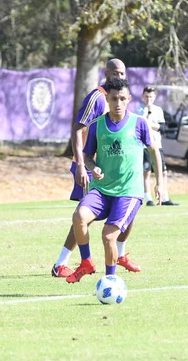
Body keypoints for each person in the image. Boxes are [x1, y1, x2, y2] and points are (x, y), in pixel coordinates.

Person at [66, 78, 165, 283]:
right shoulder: (96, 126)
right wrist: (94, 168)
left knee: (108, 235)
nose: (118, 103)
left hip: (128, 192)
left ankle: (110, 282)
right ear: (107, 100)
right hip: (101, 190)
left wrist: (160, 182)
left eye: (122, 98)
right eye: (113, 99)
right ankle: (86, 262)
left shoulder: (139, 123)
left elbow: (154, 151)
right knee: (79, 217)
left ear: (129, 99)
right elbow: (86, 157)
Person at [51, 59, 141, 278]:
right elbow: (77, 129)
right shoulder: (98, 97)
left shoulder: (119, 97)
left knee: (127, 208)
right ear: (107, 74)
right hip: (90, 166)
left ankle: (119, 254)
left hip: (111, 167)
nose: (120, 77)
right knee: (83, 216)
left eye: (123, 73)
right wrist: (82, 165)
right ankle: (61, 264)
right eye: (116, 73)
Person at [136, 85, 179, 206]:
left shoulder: (158, 110)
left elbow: (163, 127)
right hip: (144, 147)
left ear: (154, 97)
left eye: (150, 97)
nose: (148, 99)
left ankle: (165, 197)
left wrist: (149, 124)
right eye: (146, 97)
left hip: (157, 145)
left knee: (163, 172)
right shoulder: (138, 110)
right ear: (142, 97)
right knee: (146, 171)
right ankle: (148, 198)